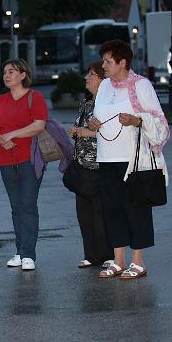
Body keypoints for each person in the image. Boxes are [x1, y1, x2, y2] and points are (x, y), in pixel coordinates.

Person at [88, 40, 170, 280]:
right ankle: (118, 260)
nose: (103, 65)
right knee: (112, 209)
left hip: (133, 159)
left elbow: (160, 122)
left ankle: (138, 261)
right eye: (103, 60)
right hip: (106, 157)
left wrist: (137, 120)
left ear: (123, 62)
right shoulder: (104, 88)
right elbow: (98, 117)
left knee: (135, 208)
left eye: (108, 61)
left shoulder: (141, 85)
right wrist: (94, 124)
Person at [0, 59, 47, 271]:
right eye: (4, 72)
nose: (6, 75)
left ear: (23, 75)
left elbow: (39, 125)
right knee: (16, 208)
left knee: (28, 205)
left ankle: (29, 254)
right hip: (5, 161)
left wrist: (11, 134)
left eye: (11, 71)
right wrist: (0, 138)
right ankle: (20, 251)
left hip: (29, 160)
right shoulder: (0, 101)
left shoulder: (34, 97)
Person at [66, 62, 114, 269]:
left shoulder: (109, 104)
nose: (86, 77)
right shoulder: (86, 104)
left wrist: (86, 132)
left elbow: (113, 132)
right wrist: (75, 131)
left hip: (102, 165)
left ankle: (109, 255)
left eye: (91, 74)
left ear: (103, 80)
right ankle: (91, 254)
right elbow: (81, 127)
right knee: (84, 213)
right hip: (82, 165)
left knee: (102, 213)